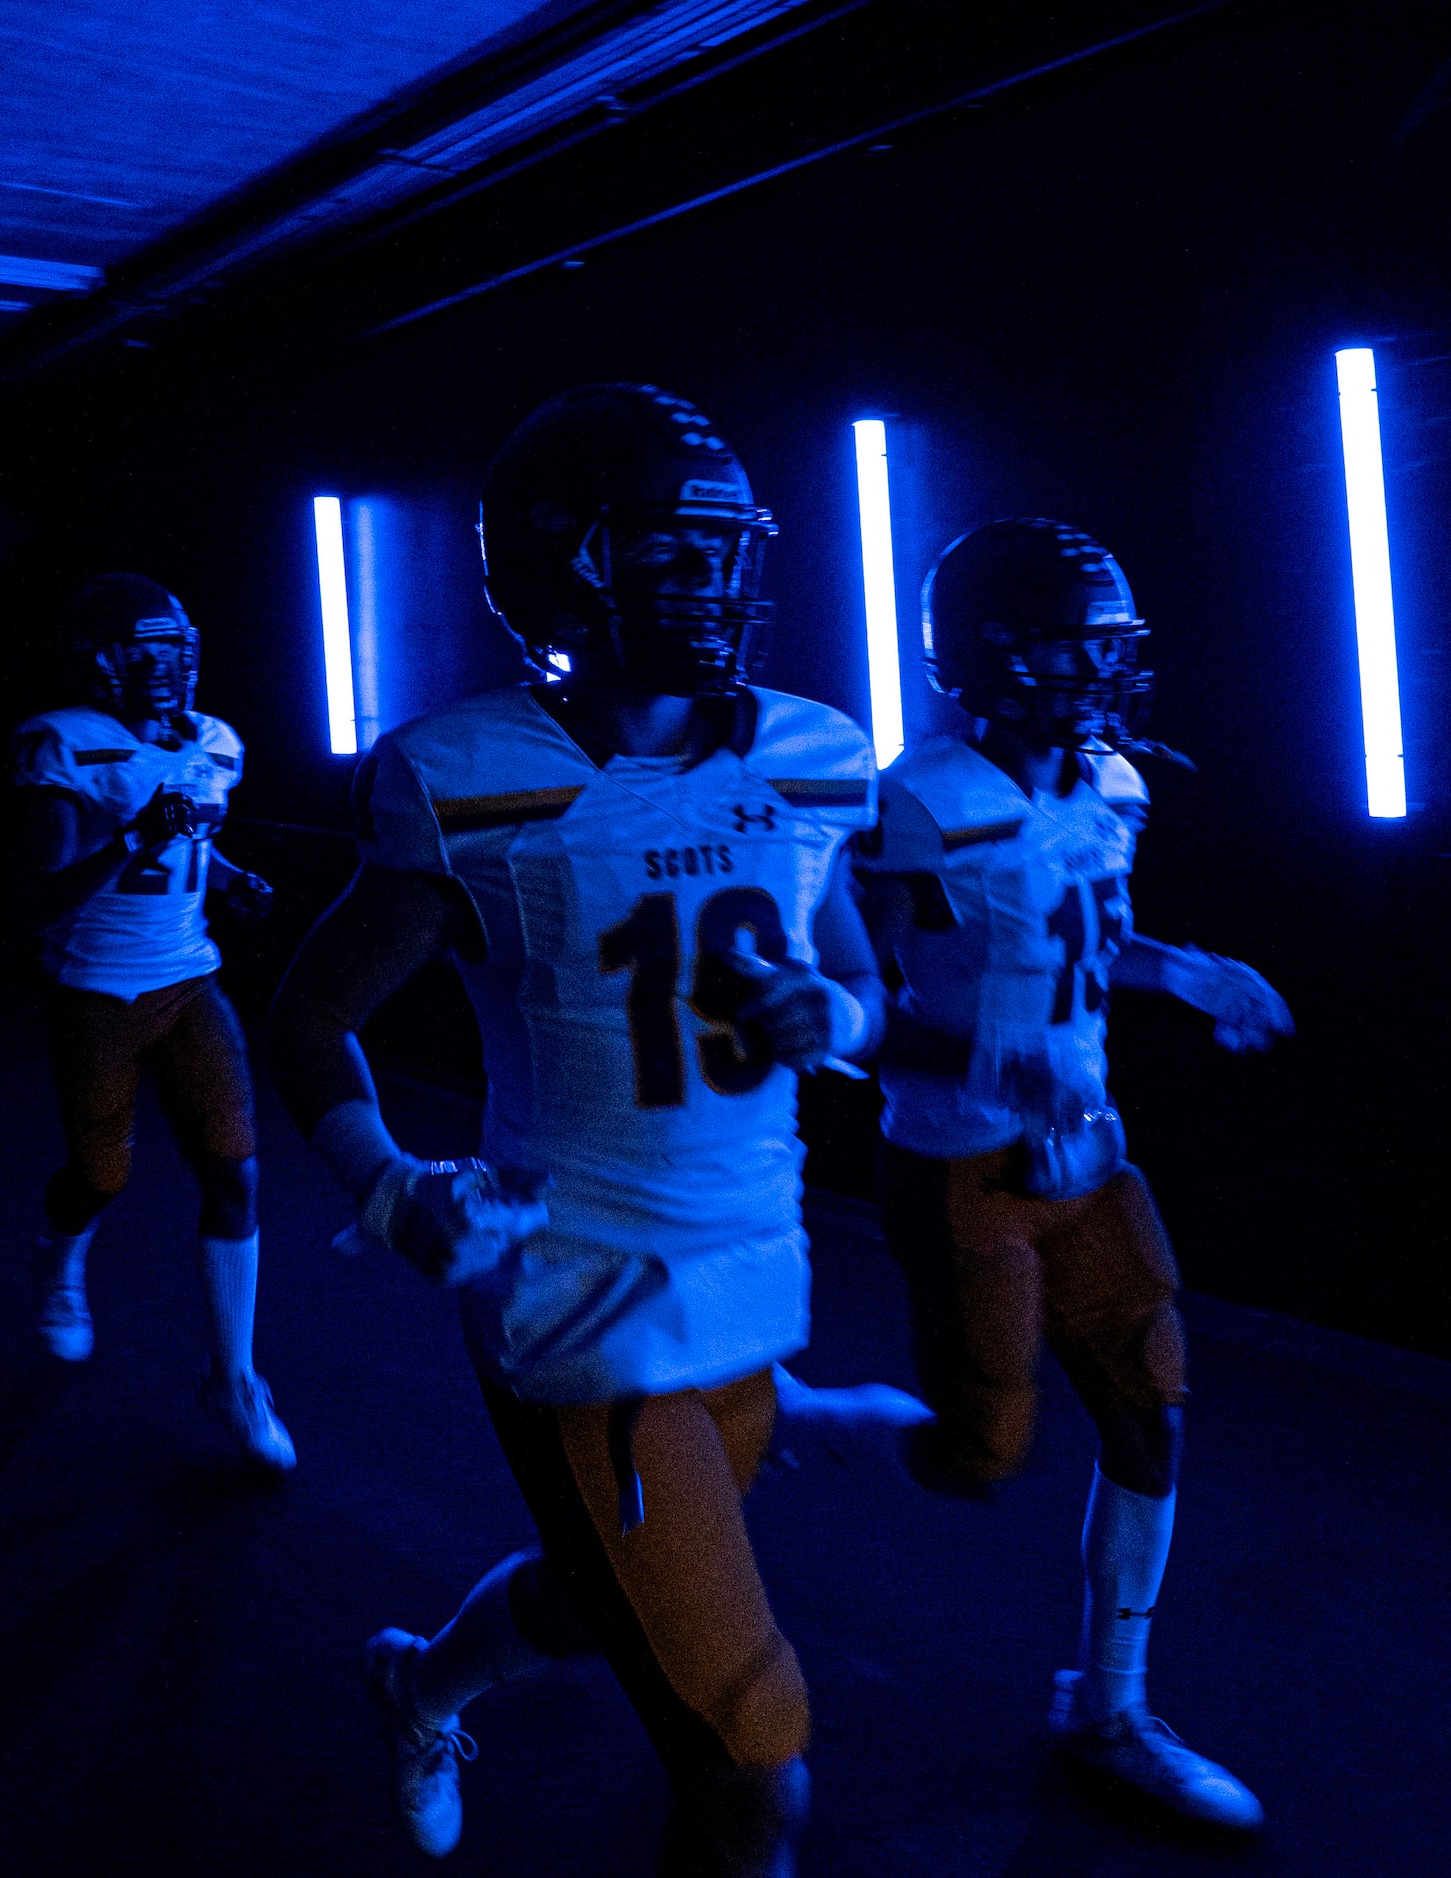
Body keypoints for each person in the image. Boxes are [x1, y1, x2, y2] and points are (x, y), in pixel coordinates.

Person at [270, 385, 911, 1875]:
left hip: (753, 1273)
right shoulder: (475, 775)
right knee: (757, 1761)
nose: (714, 584)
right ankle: (432, 1686)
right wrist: (389, 1183)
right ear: (568, 567)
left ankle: (417, 1680)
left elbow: (858, 980)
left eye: (720, 549)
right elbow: (309, 1019)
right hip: (580, 1296)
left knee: (590, 1588)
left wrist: (844, 1020)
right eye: (668, 554)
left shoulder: (815, 751)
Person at [851, 518, 1293, 1834]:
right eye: (1070, 644)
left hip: (1089, 1155)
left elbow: (1084, 941)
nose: (1098, 670)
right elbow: (853, 1007)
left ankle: (1109, 1705)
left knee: (1150, 1404)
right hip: (960, 1160)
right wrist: (999, 1059)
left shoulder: (1112, 785)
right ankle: (806, 1425)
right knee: (980, 1456)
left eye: (1110, 644)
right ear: (987, 653)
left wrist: (1186, 969)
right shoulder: (918, 797)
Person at [9, 574, 294, 1472]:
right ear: (101, 661)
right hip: (96, 991)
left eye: (175, 646)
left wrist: (228, 875)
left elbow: (190, 844)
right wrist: (140, 836)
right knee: (100, 1176)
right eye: (147, 649)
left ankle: (234, 1378)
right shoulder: (66, 746)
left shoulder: (213, 742)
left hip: (189, 978)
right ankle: (60, 1265)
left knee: (235, 1171)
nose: (168, 665)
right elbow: (36, 898)